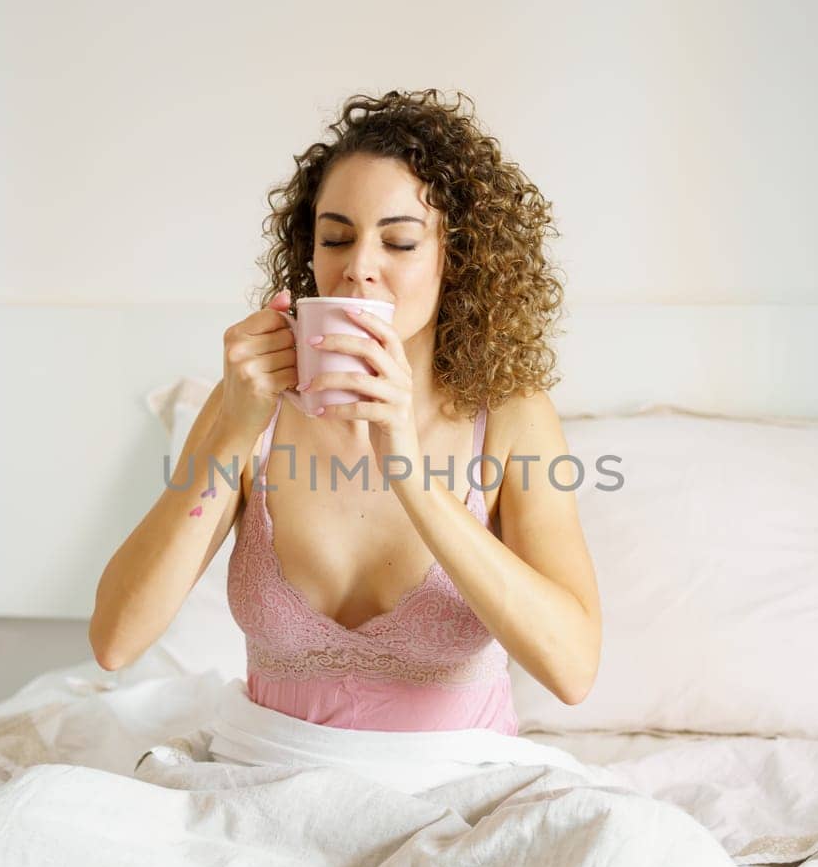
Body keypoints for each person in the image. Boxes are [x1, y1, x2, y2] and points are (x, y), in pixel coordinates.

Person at [90, 89, 600, 734]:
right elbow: (115, 642)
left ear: (458, 257)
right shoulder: (251, 405)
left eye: (400, 243)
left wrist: (407, 468)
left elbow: (573, 670)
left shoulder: (508, 415)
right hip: (270, 775)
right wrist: (234, 431)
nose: (358, 269)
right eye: (336, 238)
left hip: (456, 784)